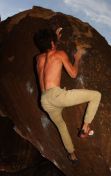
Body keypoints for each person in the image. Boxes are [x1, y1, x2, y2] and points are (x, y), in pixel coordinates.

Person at [33, 28, 101, 162]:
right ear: (52, 43)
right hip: (57, 96)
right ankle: (85, 127)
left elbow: (48, 53)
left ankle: (72, 154)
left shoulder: (37, 59)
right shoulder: (60, 54)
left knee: (61, 126)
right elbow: (73, 74)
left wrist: (54, 40)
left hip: (44, 101)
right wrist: (77, 59)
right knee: (96, 95)